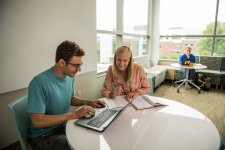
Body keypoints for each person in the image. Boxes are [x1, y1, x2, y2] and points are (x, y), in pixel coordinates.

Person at [27, 40, 105, 150]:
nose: (79, 69)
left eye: (80, 65)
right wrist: (74, 115)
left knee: (92, 135)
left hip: (62, 126)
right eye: (76, 66)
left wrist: (87, 102)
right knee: (81, 146)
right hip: (43, 137)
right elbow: (37, 121)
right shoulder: (39, 83)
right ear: (62, 62)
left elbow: (70, 98)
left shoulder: (69, 76)